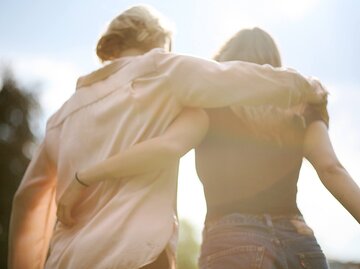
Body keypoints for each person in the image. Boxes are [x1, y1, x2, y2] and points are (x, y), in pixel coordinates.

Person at [8, 4, 327, 269]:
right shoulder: (163, 69)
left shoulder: (61, 117)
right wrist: (305, 86)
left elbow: (27, 204)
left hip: (69, 260)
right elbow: (236, 77)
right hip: (139, 254)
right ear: (159, 40)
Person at [195, 27, 360, 269]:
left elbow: (169, 149)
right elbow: (331, 168)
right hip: (298, 241)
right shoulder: (303, 108)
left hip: (233, 239)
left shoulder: (207, 103)